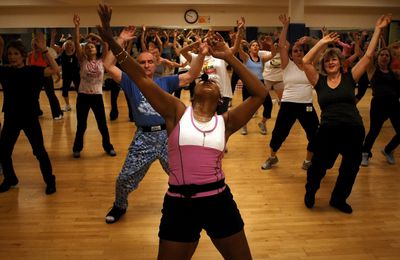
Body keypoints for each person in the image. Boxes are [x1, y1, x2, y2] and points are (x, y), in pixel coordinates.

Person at [97, 6, 266, 259]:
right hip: (179, 203)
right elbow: (141, 79)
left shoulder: (226, 122)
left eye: (213, 82)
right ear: (193, 90)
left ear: (220, 98)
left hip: (218, 200)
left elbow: (260, 93)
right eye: (203, 80)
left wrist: (229, 56)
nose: (208, 81)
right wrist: (113, 40)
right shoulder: (176, 112)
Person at [102, 26, 206, 224]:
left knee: (183, 176)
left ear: (156, 63)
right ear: (136, 65)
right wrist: (121, 39)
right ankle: (119, 206)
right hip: (144, 138)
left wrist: (200, 55)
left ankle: (191, 207)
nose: (147, 65)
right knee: (124, 179)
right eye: (142, 62)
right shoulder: (130, 82)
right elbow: (108, 65)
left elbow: (192, 74)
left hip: (168, 136)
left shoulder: (166, 82)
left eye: (150, 62)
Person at [302, 14, 392, 214]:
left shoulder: (350, 77)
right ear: (324, 66)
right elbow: (306, 61)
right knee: (319, 166)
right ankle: (310, 191)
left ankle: (338, 199)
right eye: (327, 61)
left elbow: (368, 56)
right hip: (328, 130)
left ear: (340, 62)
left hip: (353, 128)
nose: (330, 62)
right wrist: (323, 42)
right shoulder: (320, 82)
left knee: (350, 169)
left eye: (334, 59)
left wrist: (378, 29)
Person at [0, 33, 57, 194]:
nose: (12, 57)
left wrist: (45, 50)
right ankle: (10, 178)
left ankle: (50, 181)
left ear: (23, 56)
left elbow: (54, 69)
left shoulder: (32, 71)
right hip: (11, 116)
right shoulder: (4, 72)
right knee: (3, 151)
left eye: (16, 54)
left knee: (39, 151)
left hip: (29, 117)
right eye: (10, 54)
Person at [261, 14, 319, 170]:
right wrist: (285, 26)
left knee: (315, 133)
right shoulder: (287, 65)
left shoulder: (310, 65)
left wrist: (310, 40)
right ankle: (272, 157)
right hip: (288, 104)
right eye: (295, 51)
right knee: (279, 133)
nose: (298, 52)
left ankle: (308, 161)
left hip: (306, 105)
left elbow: (322, 46)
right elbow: (281, 46)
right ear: (291, 54)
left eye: (300, 50)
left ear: (304, 52)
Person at [72, 14, 116, 158]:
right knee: (81, 126)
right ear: (85, 51)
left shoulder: (101, 61)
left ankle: (108, 147)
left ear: (96, 50)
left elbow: (105, 43)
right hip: (83, 96)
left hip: (97, 96)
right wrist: (77, 27)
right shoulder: (82, 61)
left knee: (102, 125)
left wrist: (92, 35)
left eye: (92, 46)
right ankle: (77, 148)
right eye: (88, 47)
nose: (90, 48)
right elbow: (77, 44)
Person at [361, 47, 400, 166]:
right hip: (379, 104)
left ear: (390, 59)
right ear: (377, 58)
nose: (384, 57)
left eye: (387, 55)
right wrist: (359, 41)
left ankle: (388, 150)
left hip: (394, 104)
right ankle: (365, 153)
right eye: (381, 55)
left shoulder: (395, 73)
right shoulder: (372, 70)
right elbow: (364, 56)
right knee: (374, 131)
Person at [238, 37, 275, 135]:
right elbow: (238, 48)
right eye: (253, 45)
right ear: (249, 48)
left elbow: (273, 54)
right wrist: (238, 38)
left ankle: (262, 123)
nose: (255, 47)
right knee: (246, 108)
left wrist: (271, 45)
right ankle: (244, 125)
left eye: (257, 45)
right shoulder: (246, 57)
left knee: (269, 104)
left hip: (260, 84)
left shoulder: (261, 59)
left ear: (259, 48)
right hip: (248, 84)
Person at [27, 34, 64, 120]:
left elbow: (53, 66)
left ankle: (57, 113)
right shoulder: (30, 55)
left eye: (36, 45)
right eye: (33, 45)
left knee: (51, 95)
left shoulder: (45, 55)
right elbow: (28, 67)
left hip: (46, 77)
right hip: (35, 77)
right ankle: (37, 112)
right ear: (31, 46)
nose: (35, 46)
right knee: (33, 95)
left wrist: (58, 76)